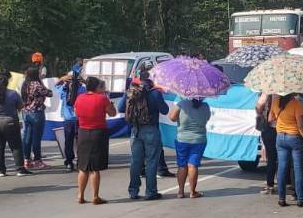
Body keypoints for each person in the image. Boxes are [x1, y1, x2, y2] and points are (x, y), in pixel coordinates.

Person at [121, 70, 169, 200]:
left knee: (135, 161)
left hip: (135, 130)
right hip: (151, 129)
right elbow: (165, 110)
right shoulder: (155, 93)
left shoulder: (131, 91)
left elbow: (121, 108)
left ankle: (133, 191)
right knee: (151, 161)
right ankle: (151, 191)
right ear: (151, 79)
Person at [73, 77, 115, 205]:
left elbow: (76, 113)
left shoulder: (80, 98)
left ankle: (80, 195)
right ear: (97, 87)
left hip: (83, 132)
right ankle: (95, 196)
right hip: (98, 132)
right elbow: (112, 113)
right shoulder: (102, 98)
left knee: (83, 167)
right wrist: (111, 104)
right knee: (95, 168)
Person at [270, 91, 303, 208]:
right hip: (294, 137)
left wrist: (281, 120)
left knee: (282, 167)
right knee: (298, 168)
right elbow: (300, 126)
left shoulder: (275, 102)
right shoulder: (296, 104)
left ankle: (281, 198)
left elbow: (270, 119)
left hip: (280, 137)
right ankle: (300, 199)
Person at [0, 71, 28, 176]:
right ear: (7, 83)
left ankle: (1, 170)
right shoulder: (13, 94)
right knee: (15, 146)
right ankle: (19, 169)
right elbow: (21, 106)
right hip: (10, 122)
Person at [169, 97, 211, 199]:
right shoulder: (205, 106)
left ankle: (180, 191)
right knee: (193, 165)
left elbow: (172, 117)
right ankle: (192, 192)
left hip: (182, 139)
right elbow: (207, 118)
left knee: (182, 165)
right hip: (199, 140)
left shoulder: (181, 104)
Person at [20, 66, 53, 170]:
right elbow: (50, 93)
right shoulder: (37, 85)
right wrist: (42, 83)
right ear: (36, 74)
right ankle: (37, 160)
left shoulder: (25, 84)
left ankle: (26, 160)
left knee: (27, 137)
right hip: (36, 113)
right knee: (36, 138)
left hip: (26, 112)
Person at [58, 67, 86, 173]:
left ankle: (69, 162)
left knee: (68, 142)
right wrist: (82, 80)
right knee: (80, 142)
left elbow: (56, 85)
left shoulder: (64, 89)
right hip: (80, 118)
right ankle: (81, 161)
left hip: (68, 119)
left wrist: (63, 79)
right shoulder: (82, 89)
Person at [255, 92, 279, 194]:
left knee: (271, 157)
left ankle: (270, 184)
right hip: (283, 127)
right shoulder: (285, 92)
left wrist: (259, 113)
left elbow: (259, 106)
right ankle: (285, 180)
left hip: (269, 128)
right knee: (283, 156)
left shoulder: (267, 92)